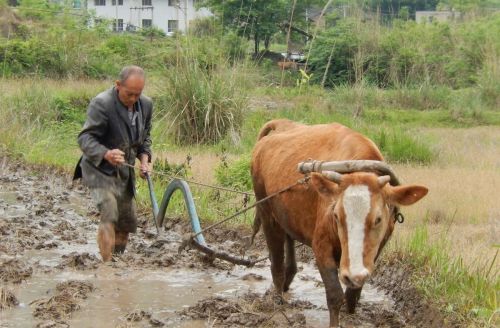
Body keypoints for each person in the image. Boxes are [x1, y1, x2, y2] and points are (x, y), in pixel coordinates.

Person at [73, 65, 153, 262]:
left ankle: (117, 261)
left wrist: (144, 161)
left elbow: (145, 140)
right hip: (99, 169)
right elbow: (85, 139)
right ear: (118, 85)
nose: (133, 99)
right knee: (109, 212)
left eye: (138, 94)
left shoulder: (146, 105)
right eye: (129, 94)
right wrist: (106, 153)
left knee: (126, 222)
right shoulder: (102, 104)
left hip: (124, 171)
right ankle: (107, 268)